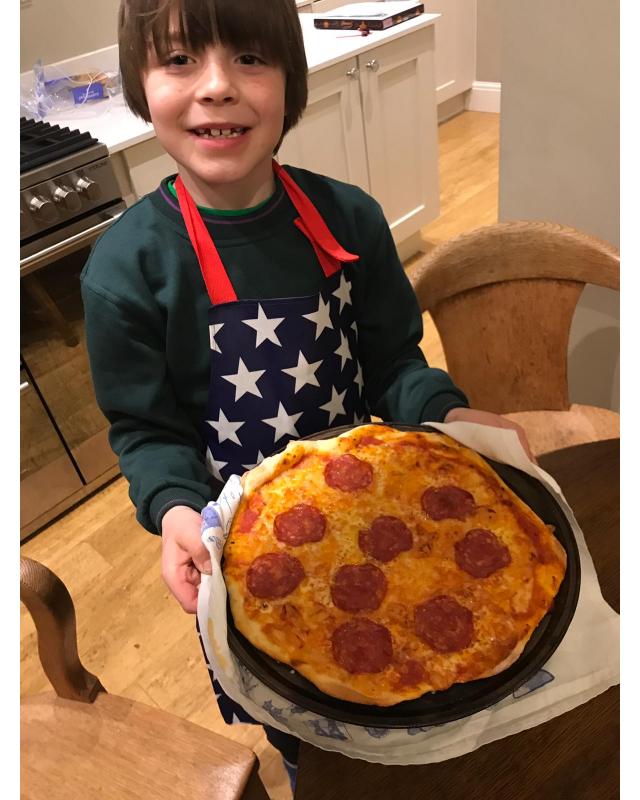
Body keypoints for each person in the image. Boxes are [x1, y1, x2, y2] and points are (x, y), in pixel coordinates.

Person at [81, 0, 532, 791]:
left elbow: (393, 359)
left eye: (251, 59)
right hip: (247, 564)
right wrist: (177, 514)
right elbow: (147, 432)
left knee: (419, 700)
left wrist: (445, 410)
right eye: (181, 60)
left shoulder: (348, 216)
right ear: (137, 85)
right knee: (310, 735)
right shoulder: (127, 270)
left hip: (376, 524)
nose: (217, 87)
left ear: (291, 82)